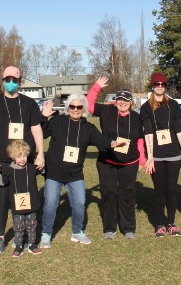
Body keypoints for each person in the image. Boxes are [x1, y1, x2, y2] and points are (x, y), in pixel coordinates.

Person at [39, 93, 121, 248]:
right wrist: (43, 117)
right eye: (72, 106)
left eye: (79, 107)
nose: (75, 110)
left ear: (84, 109)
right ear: (68, 107)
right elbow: (41, 133)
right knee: (50, 203)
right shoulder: (57, 122)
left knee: (79, 203)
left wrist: (111, 143)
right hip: (54, 173)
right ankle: (46, 234)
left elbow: (100, 140)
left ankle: (77, 232)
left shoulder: (88, 128)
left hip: (75, 174)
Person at [0, 66, 45, 254]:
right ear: (2, 80)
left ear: (20, 82)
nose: (11, 83)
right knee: (2, 199)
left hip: (24, 161)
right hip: (2, 161)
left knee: (25, 198)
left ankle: (25, 237)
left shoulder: (29, 104)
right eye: (8, 79)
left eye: (15, 80)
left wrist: (40, 153)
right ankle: (0, 237)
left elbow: (36, 129)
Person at [87, 77, 144, 239]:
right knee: (108, 194)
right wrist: (96, 87)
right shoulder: (107, 111)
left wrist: (142, 160)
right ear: (115, 101)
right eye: (119, 99)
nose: (122, 102)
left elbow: (140, 139)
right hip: (107, 162)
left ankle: (128, 228)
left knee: (127, 194)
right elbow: (89, 105)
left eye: (126, 100)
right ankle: (109, 229)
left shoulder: (136, 117)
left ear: (131, 102)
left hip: (129, 163)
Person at [140, 73, 181, 237]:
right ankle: (159, 224)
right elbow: (147, 132)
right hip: (156, 156)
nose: (160, 87)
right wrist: (150, 157)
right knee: (159, 191)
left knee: (171, 190)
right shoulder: (146, 107)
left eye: (163, 84)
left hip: (173, 156)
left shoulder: (173, 105)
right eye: (157, 84)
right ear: (152, 86)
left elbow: (179, 128)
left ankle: (171, 223)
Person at [0, 140, 43, 257]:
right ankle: (19, 245)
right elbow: (3, 182)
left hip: (31, 202)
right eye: (19, 156)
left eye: (24, 156)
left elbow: (42, 171)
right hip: (17, 204)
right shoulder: (8, 170)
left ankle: (32, 244)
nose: (22, 159)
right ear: (13, 157)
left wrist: (41, 164)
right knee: (18, 225)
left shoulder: (31, 168)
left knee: (32, 224)